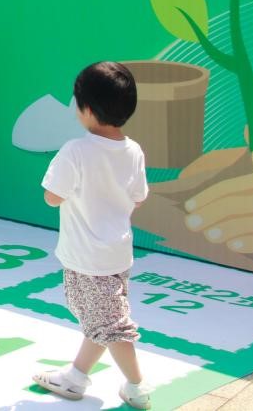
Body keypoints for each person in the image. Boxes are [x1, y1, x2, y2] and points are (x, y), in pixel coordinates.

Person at [33, 61, 151, 410]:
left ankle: (136, 385)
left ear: (86, 108)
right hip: (117, 253)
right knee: (99, 319)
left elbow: (52, 196)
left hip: (87, 257)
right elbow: (139, 197)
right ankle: (76, 376)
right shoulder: (133, 150)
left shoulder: (76, 150)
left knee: (111, 325)